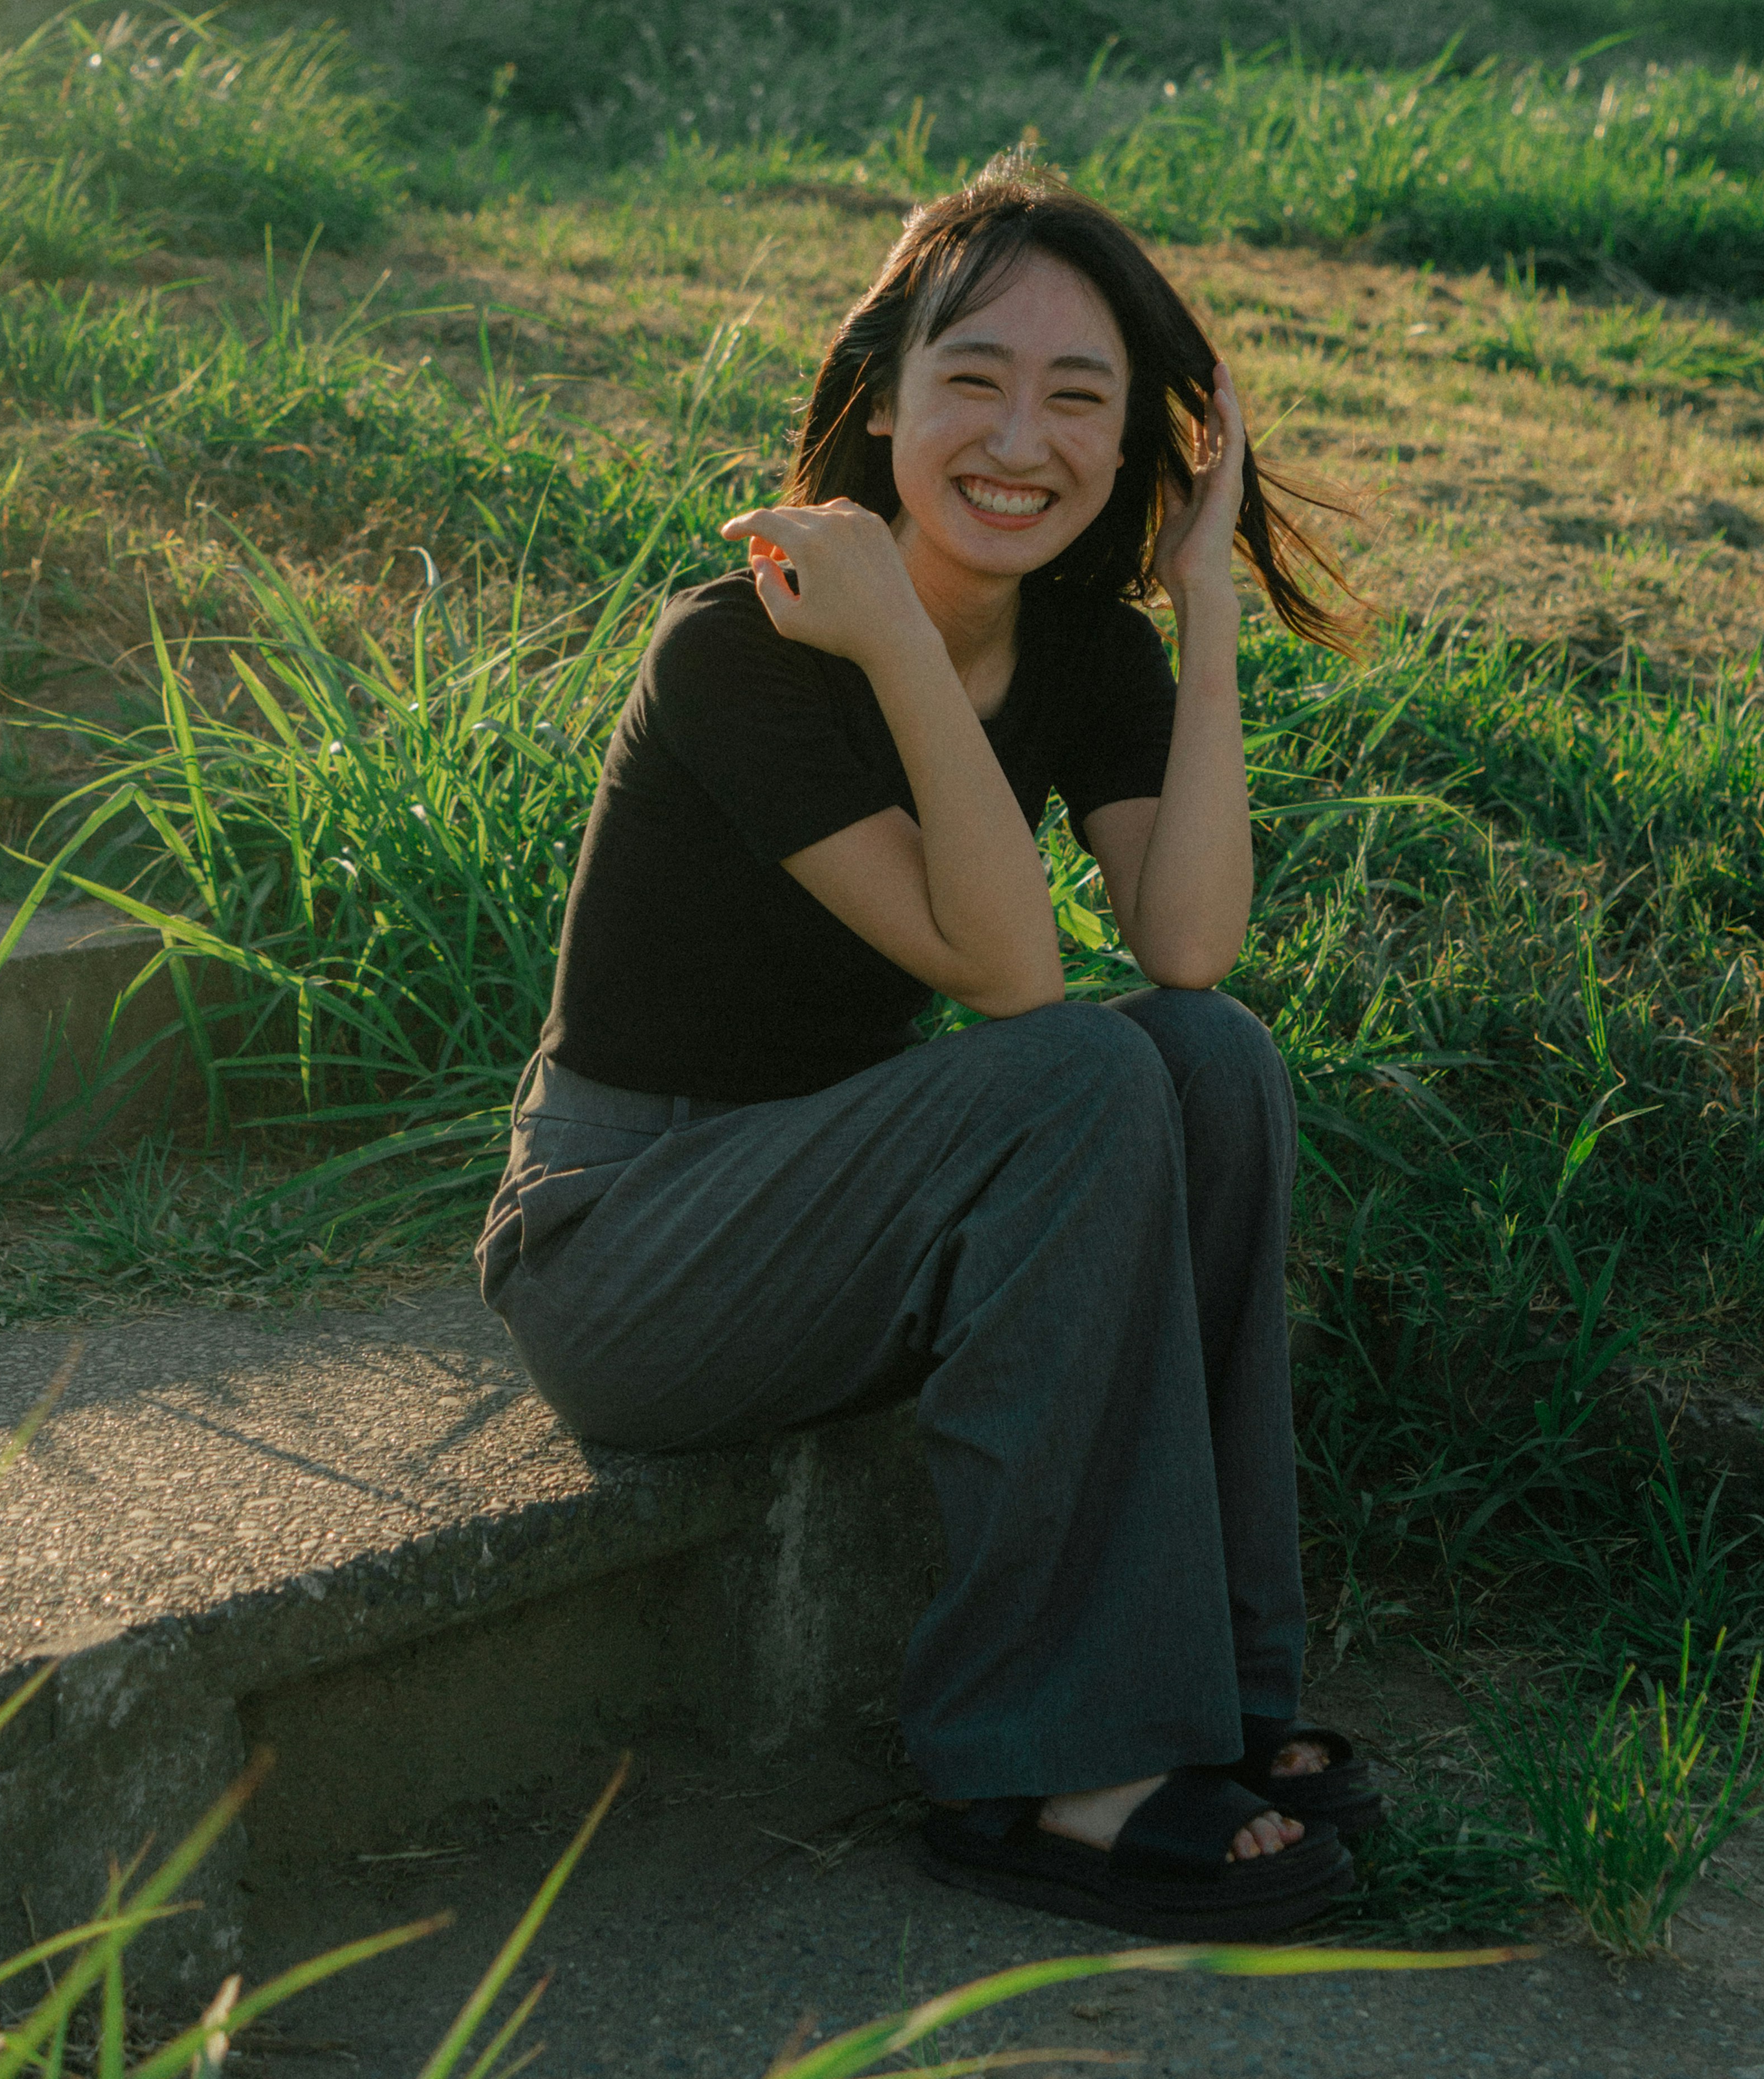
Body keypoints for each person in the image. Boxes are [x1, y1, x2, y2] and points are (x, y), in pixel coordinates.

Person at [477, 157, 1381, 1938]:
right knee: (1079, 1068)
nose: (1019, 438)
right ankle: (1048, 1764)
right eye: (974, 378)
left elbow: (1189, 948)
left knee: (1212, 1059)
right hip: (632, 1247)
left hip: (840, 1214)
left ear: (1141, 446)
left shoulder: (1081, 646)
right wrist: (893, 633)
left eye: (1079, 397)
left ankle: (1214, 1693)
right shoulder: (739, 650)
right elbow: (1011, 982)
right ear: (884, 390)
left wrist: (1207, 610)